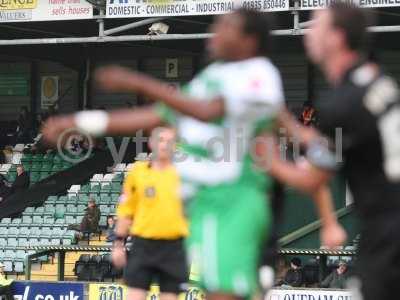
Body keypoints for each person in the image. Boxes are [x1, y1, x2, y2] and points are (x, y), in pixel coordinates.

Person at [42, 8, 345, 300]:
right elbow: (159, 115)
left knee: (226, 293)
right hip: (208, 206)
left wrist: (135, 81)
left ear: (249, 40)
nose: (215, 31)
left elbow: (206, 111)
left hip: (233, 201)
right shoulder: (214, 75)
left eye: (226, 26)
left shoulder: (257, 74)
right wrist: (81, 122)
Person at [264, 3, 400, 300]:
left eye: (315, 26)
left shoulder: (340, 103)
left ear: (336, 37)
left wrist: (265, 157)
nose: (307, 33)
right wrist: (282, 118)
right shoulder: (375, 80)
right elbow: (327, 140)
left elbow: (311, 179)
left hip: (387, 237)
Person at [112, 127, 189, 300]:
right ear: (151, 143)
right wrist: (118, 244)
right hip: (143, 245)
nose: (165, 145)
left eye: (170, 141)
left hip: (174, 247)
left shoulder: (185, 175)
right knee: (135, 295)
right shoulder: (138, 173)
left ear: (176, 146)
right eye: (161, 140)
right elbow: (126, 210)